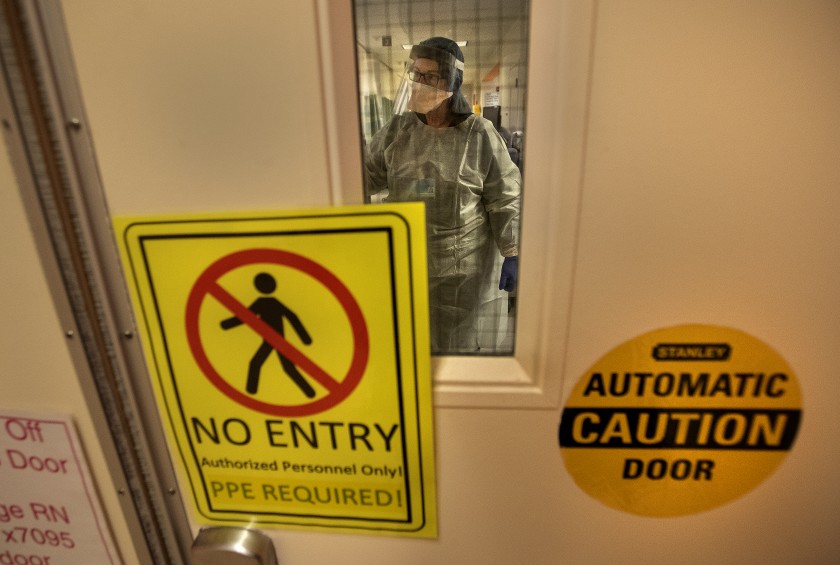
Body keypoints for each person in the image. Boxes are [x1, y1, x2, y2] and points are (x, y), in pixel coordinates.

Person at [364, 37, 521, 354]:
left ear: (452, 82)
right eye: (417, 75)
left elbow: (505, 196)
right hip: (404, 260)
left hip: (460, 270)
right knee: (408, 343)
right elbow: (365, 177)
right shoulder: (397, 132)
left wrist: (514, 249)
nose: (420, 84)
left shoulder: (479, 135)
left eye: (430, 77)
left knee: (455, 348)